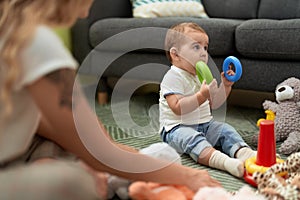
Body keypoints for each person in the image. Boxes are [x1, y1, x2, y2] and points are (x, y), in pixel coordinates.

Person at [0, 1, 221, 199]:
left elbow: (53, 127)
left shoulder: (12, 29)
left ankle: (51, 166)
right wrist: (190, 176)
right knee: (73, 183)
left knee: (59, 142)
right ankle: (98, 181)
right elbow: (99, 150)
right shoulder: (36, 42)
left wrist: (113, 152)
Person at [160, 22, 257, 178]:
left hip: (205, 125)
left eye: (205, 47)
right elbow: (177, 107)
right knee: (193, 139)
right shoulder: (173, 77)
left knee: (225, 130)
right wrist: (201, 95)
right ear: (176, 54)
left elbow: (215, 103)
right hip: (177, 129)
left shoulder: (200, 76)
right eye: (196, 47)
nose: (204, 53)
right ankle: (225, 162)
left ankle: (243, 152)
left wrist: (225, 86)